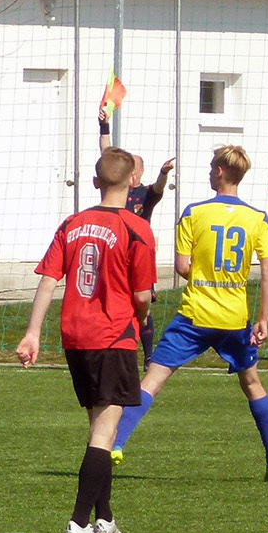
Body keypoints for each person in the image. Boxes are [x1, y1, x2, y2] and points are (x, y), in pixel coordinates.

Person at [109, 145, 268, 480]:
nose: (209, 172)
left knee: (153, 380)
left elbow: (182, 267)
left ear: (219, 171)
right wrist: (262, 318)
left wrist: (203, 274)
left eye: (210, 167)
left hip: (194, 316)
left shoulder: (194, 213)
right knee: (252, 384)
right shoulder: (257, 218)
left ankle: (116, 444)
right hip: (234, 318)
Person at [14, 147, 158, 533]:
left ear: (96, 182)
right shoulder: (137, 228)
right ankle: (78, 523)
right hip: (113, 337)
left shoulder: (72, 223)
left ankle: (104, 518)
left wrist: (32, 333)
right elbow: (142, 294)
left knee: (100, 429)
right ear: (133, 182)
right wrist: (142, 316)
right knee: (105, 431)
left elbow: (48, 280)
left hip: (75, 337)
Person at [98, 113, 175, 367]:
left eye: (135, 167)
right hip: (115, 252)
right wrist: (104, 126)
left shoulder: (146, 194)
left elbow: (158, 188)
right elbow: (107, 157)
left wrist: (163, 173)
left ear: (140, 171)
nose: (130, 171)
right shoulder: (116, 191)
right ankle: (112, 347)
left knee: (143, 304)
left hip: (138, 256)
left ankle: (149, 354)